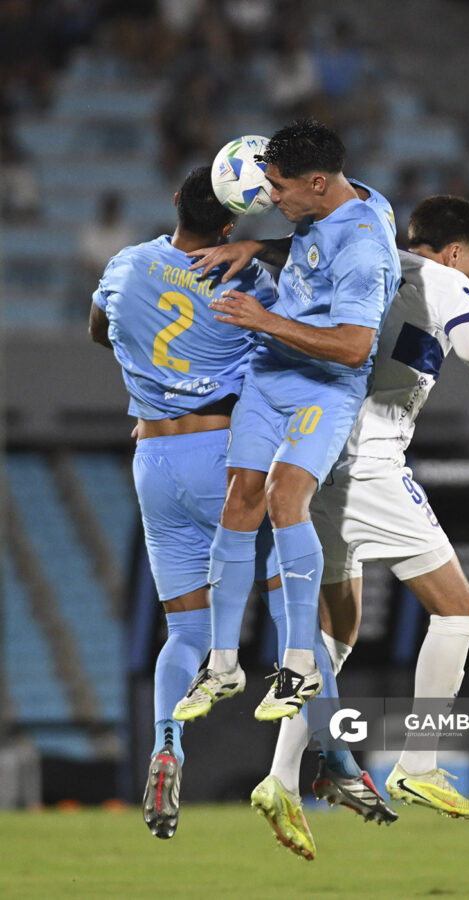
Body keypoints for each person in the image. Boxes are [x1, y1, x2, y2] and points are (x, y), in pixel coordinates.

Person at [188, 194, 469, 853]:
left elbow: (300, 253)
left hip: (312, 456)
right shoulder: (446, 281)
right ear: (453, 251)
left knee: (336, 635)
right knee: (459, 611)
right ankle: (418, 765)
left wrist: (253, 247)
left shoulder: (369, 261)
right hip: (369, 466)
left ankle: (279, 780)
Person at [172, 119, 401, 731]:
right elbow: (307, 253)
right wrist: (256, 249)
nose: (271, 198)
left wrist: (262, 319)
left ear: (318, 183)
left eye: (278, 187)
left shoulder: (364, 248)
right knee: (239, 501)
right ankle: (224, 665)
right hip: (270, 378)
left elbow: (355, 347)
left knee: (284, 498)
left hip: (323, 388)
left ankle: (299, 662)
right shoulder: (344, 203)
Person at [88, 166, 278, 840]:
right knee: (294, 576)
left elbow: (97, 327)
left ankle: (167, 746)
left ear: (175, 202)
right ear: (232, 225)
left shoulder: (129, 261)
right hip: (220, 451)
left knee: (184, 632)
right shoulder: (244, 276)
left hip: (153, 458)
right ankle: (320, 758)